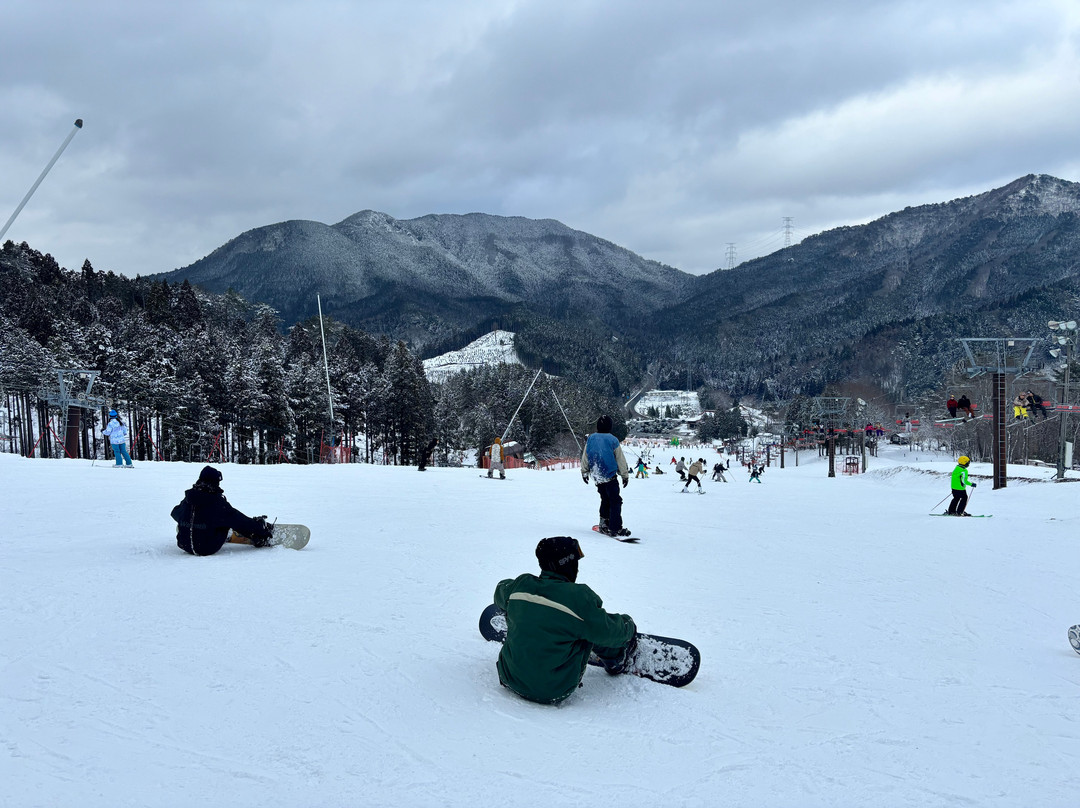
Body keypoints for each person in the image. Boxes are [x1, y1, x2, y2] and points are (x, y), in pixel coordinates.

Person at [493, 536, 637, 704]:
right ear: (568, 564)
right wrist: (628, 625)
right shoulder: (578, 599)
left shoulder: (520, 586)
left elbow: (500, 591)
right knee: (589, 627)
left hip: (508, 676)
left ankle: (530, 629)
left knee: (523, 608)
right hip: (553, 689)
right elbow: (610, 631)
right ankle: (616, 658)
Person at [170, 465, 275, 555]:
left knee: (189, 516)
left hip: (184, 545)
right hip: (208, 548)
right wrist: (260, 528)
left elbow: (175, 513)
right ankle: (253, 535)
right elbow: (239, 520)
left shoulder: (188, 498)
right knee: (227, 519)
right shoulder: (216, 502)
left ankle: (198, 531)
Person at [580, 415, 631, 537]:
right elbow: (620, 459)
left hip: (597, 475)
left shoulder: (591, 439)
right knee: (615, 501)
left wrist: (584, 472)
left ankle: (604, 523)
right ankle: (615, 527)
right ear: (610, 427)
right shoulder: (613, 440)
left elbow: (585, 456)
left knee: (605, 499)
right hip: (609, 475)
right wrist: (624, 475)